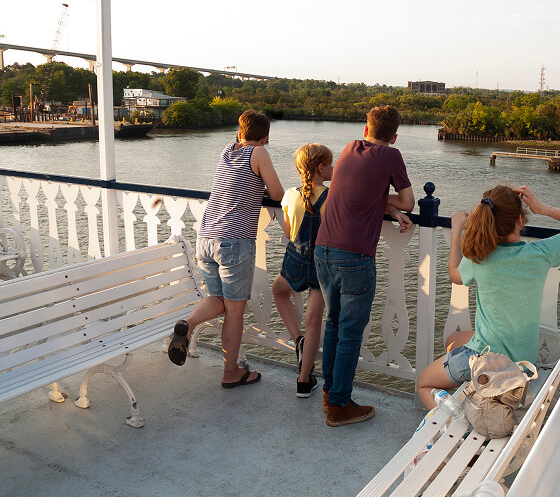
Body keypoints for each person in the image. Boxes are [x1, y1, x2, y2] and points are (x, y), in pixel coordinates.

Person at [416, 184, 560, 410]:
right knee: (453, 339)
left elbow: (454, 274)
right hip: (523, 361)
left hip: (487, 362)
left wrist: (456, 231)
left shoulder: (480, 259)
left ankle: (455, 424)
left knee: (424, 382)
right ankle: (482, 398)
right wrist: (542, 208)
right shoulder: (540, 253)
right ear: (520, 220)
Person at [168, 109, 283, 389]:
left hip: (206, 237)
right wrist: (262, 191)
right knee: (234, 312)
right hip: (234, 242)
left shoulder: (227, 150)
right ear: (265, 137)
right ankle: (231, 373)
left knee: (218, 300)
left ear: (239, 132)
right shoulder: (259, 153)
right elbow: (278, 194)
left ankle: (188, 323)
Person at [315, 105, 414, 426]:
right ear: (395, 136)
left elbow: (358, 192)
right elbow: (410, 202)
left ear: (365, 129)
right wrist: (393, 206)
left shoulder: (348, 149)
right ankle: (340, 405)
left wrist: (383, 203)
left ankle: (331, 393)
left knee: (334, 324)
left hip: (323, 250)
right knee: (350, 333)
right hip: (354, 256)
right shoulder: (391, 155)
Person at [272, 143, 333, 398]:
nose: (333, 168)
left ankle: (298, 339)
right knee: (313, 321)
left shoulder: (289, 195)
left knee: (278, 291)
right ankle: (304, 379)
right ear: (321, 168)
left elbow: (288, 233)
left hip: (295, 260)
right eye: (330, 164)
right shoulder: (332, 197)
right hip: (320, 264)